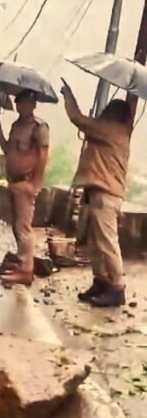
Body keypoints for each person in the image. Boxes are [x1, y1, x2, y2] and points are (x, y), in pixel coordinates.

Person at [61, 82, 132, 307]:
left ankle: (116, 287)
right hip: (96, 191)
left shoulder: (113, 131)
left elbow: (77, 118)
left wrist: (68, 95)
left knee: (107, 243)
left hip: (106, 193)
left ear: (113, 114)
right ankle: (101, 281)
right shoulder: (110, 132)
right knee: (95, 243)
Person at [0, 89, 50, 286]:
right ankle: (21, 262)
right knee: (17, 226)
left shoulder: (39, 127)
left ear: (33, 105)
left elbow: (43, 156)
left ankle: (26, 271)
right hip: (14, 180)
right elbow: (9, 150)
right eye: (19, 103)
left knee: (24, 227)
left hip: (26, 182)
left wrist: (36, 183)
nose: (22, 106)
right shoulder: (17, 125)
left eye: (26, 103)